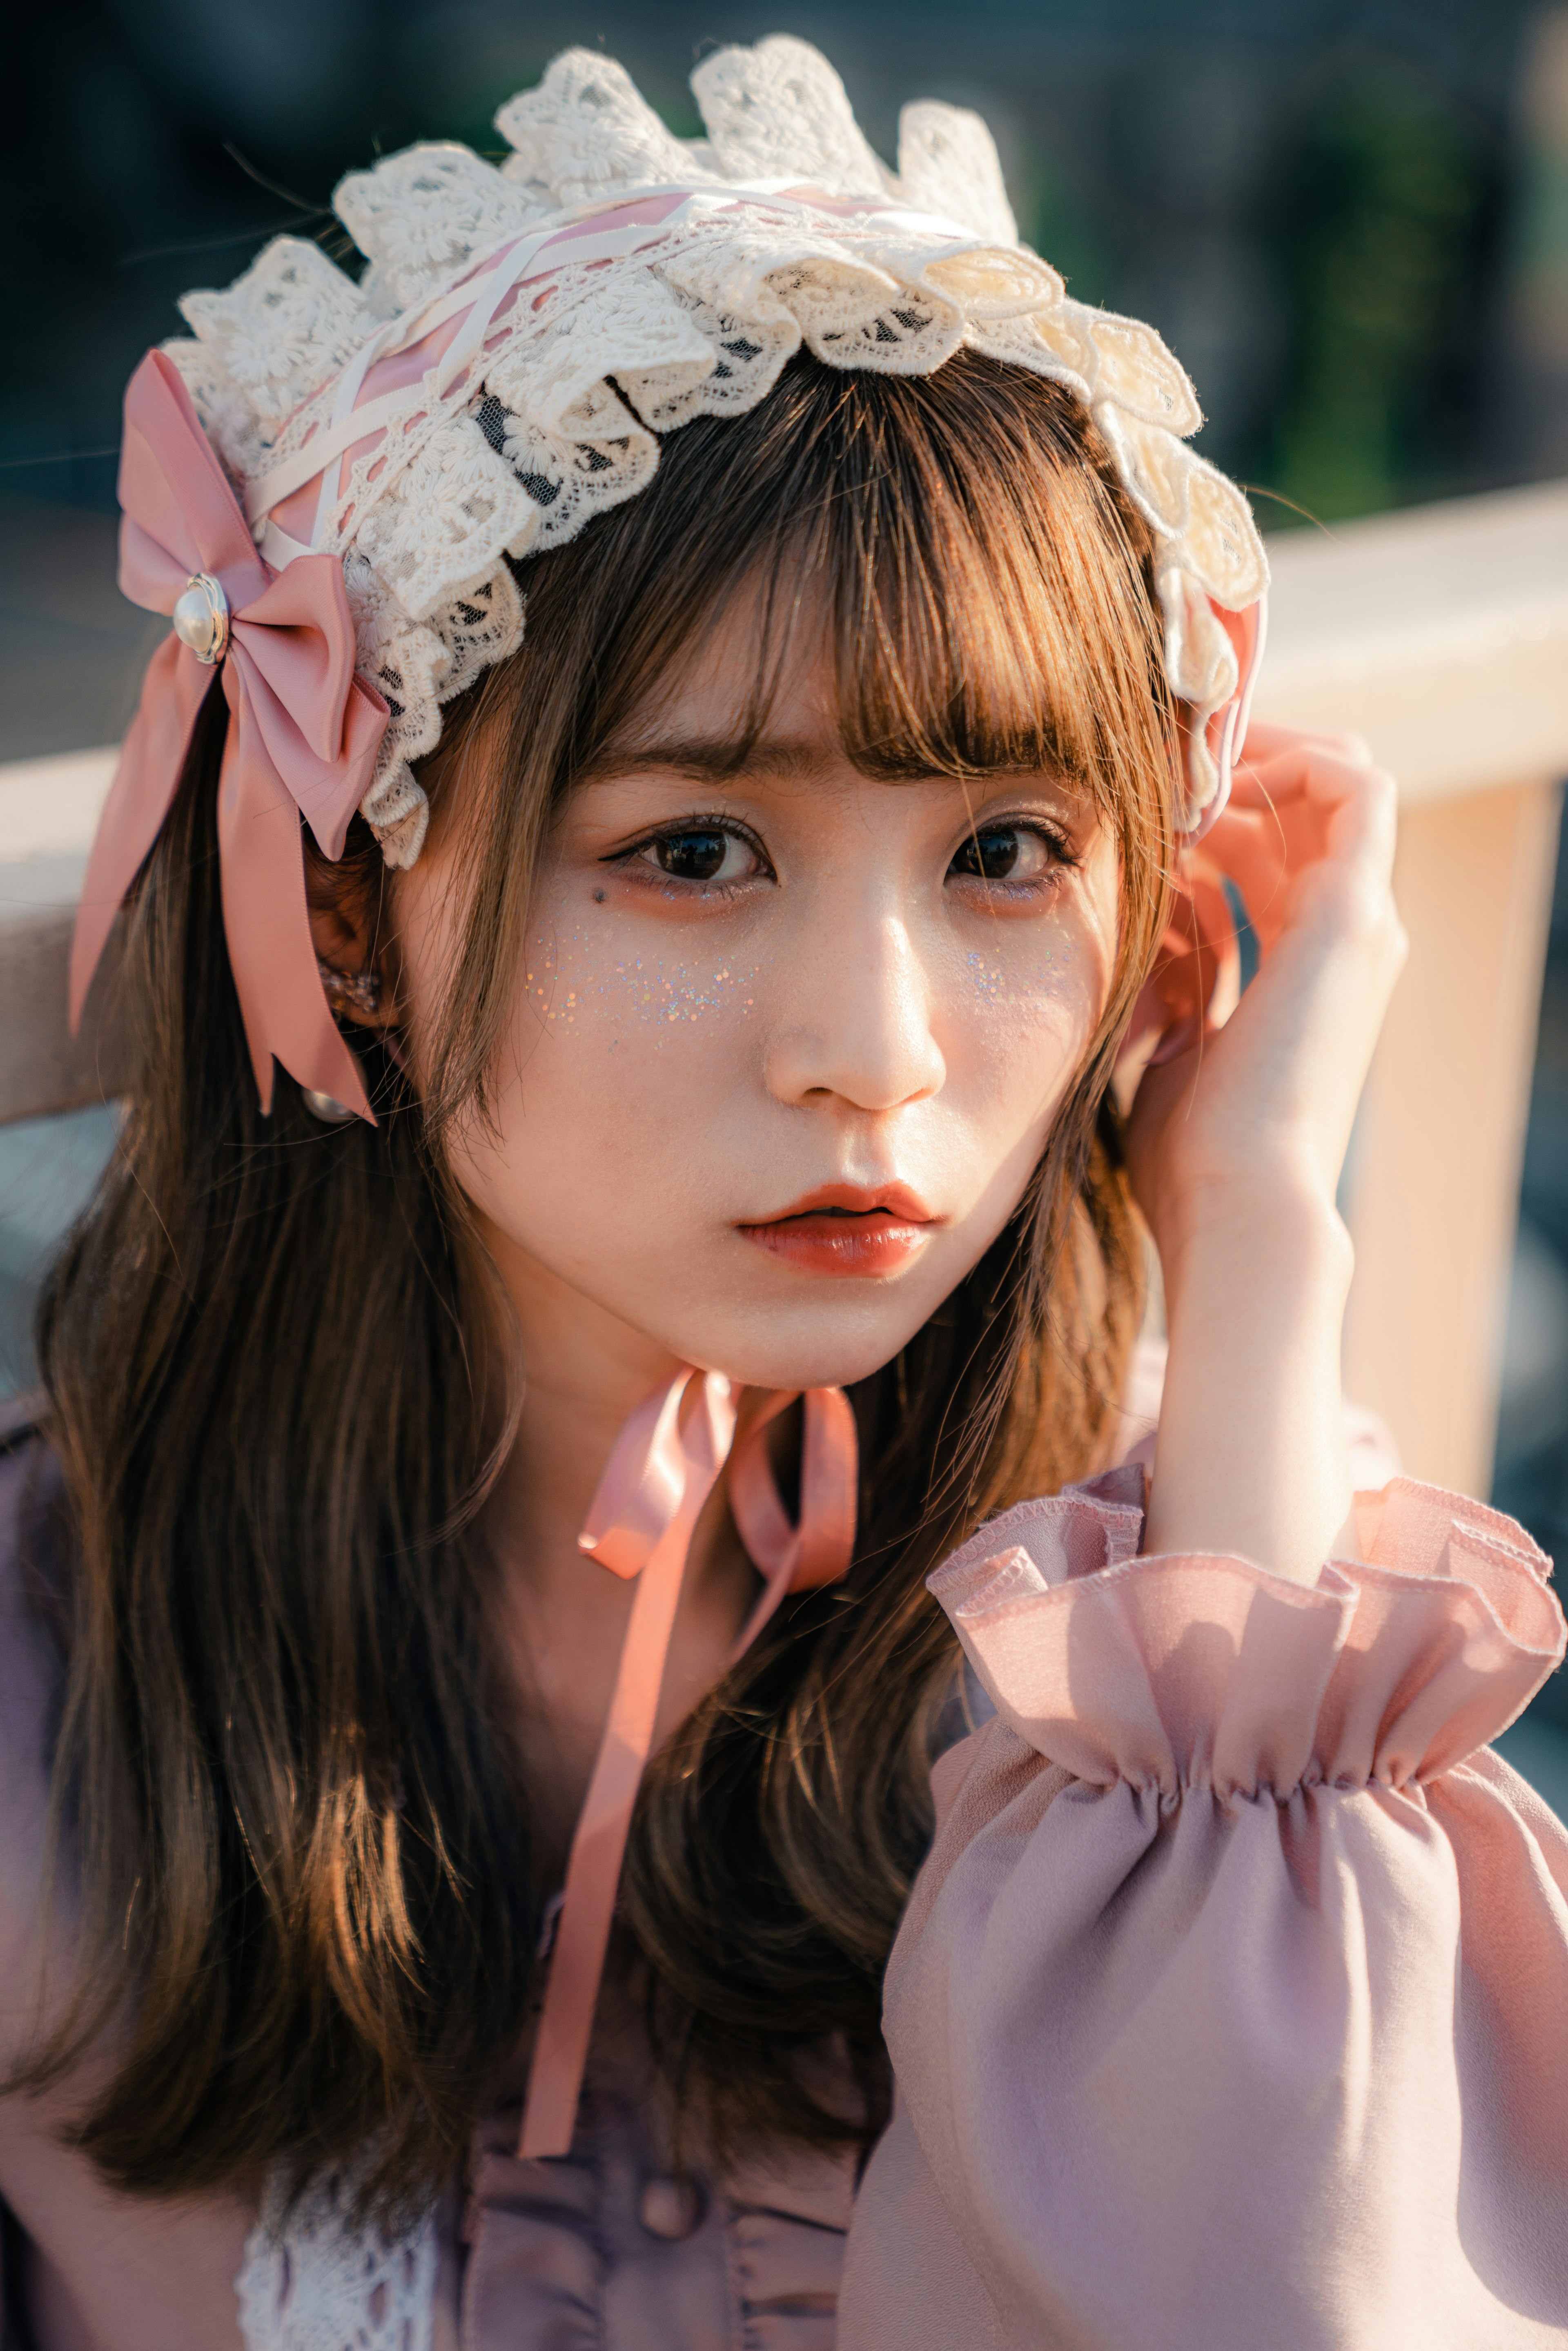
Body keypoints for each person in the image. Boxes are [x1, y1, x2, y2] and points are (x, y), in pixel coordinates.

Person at [2, 35, 1564, 2350]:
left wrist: (1258, 1227)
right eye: (696, 854)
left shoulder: (1191, 1620)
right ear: (351, 913)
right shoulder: (64, 1664)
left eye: (1008, 854)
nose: (884, 1047)